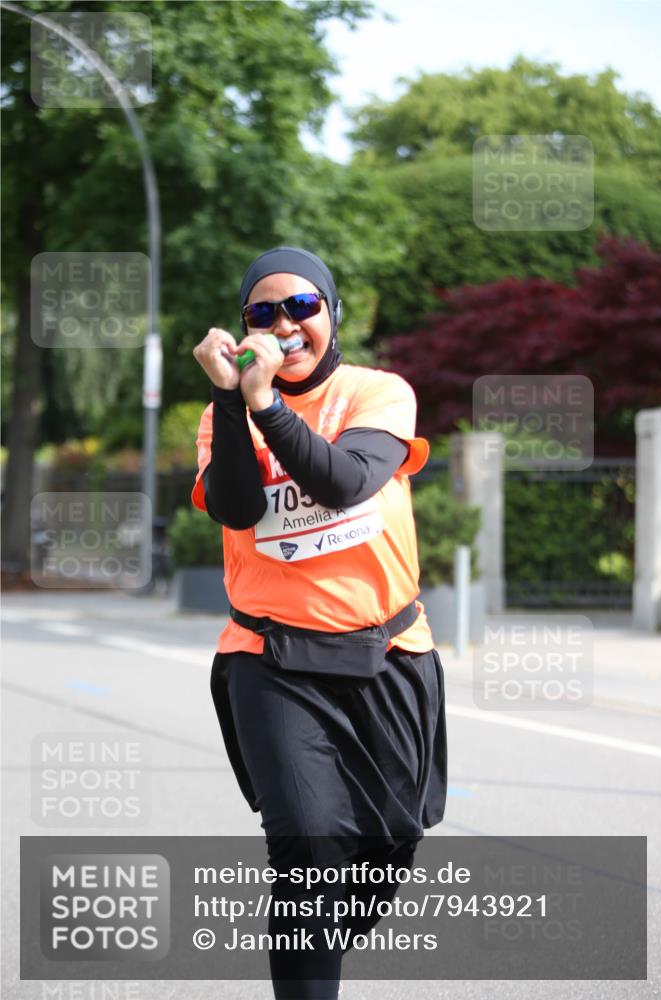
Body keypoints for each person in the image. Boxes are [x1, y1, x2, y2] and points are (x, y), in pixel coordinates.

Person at [191, 246, 447, 1000]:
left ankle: (312, 940)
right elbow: (237, 507)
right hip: (268, 659)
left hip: (389, 653)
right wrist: (239, 402)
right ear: (243, 331)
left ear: (330, 313)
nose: (283, 324)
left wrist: (267, 403)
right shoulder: (221, 414)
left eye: (300, 306)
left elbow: (342, 483)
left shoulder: (378, 393)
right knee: (307, 854)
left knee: (384, 851)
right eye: (261, 313)